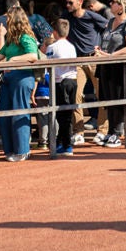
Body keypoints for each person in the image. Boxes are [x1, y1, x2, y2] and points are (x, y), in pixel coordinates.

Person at [0, 4, 41, 160]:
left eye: (8, 17)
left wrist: (13, 59)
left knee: (19, 113)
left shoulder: (26, 36)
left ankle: (22, 150)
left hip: (22, 77)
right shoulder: (10, 39)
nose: (5, 19)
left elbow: (33, 55)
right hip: (8, 78)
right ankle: (10, 150)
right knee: (5, 114)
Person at [95, 0, 126, 147]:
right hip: (107, 66)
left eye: (114, 1)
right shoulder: (111, 21)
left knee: (119, 99)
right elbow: (107, 41)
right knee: (109, 99)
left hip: (120, 67)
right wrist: (100, 51)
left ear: (121, 6)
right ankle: (111, 132)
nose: (110, 3)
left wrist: (112, 55)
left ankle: (117, 133)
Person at [62, 0, 105, 133]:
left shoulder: (92, 16)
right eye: (67, 2)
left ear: (80, 3)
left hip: (93, 58)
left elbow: (109, 28)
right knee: (75, 94)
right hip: (78, 60)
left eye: (71, 2)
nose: (67, 5)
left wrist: (103, 47)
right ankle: (78, 130)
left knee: (101, 94)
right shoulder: (66, 16)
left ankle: (103, 130)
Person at [47, 19, 79, 157]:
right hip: (72, 80)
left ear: (55, 32)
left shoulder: (52, 47)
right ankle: (61, 142)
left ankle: (66, 145)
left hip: (60, 82)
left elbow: (48, 66)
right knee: (67, 114)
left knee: (62, 115)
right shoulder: (71, 46)